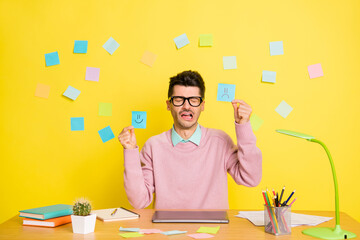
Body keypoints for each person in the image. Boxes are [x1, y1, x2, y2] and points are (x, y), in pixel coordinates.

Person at [118, 70, 262, 209]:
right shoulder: (153, 145)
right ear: (169, 105)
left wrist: (244, 127)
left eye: (193, 100)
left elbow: (251, 178)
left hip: (214, 230)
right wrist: (130, 152)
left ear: (202, 106)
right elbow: (139, 201)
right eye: (179, 100)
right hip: (167, 230)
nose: (186, 106)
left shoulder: (220, 142)